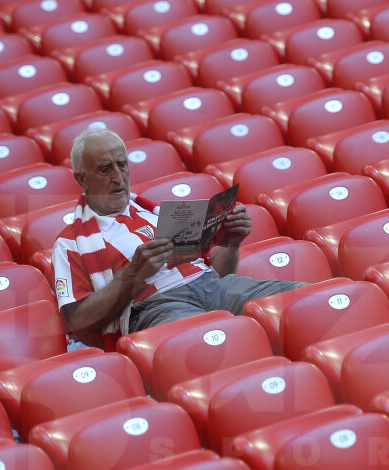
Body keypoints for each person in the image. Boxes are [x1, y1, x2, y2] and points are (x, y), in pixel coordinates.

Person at [52, 128, 305, 349]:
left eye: (122, 164)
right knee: (212, 340)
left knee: (308, 300)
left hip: (214, 286)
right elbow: (78, 321)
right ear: (81, 179)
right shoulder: (69, 243)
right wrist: (133, 274)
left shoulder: (156, 213)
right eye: (105, 169)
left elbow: (218, 273)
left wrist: (230, 242)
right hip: (157, 306)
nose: (118, 177)